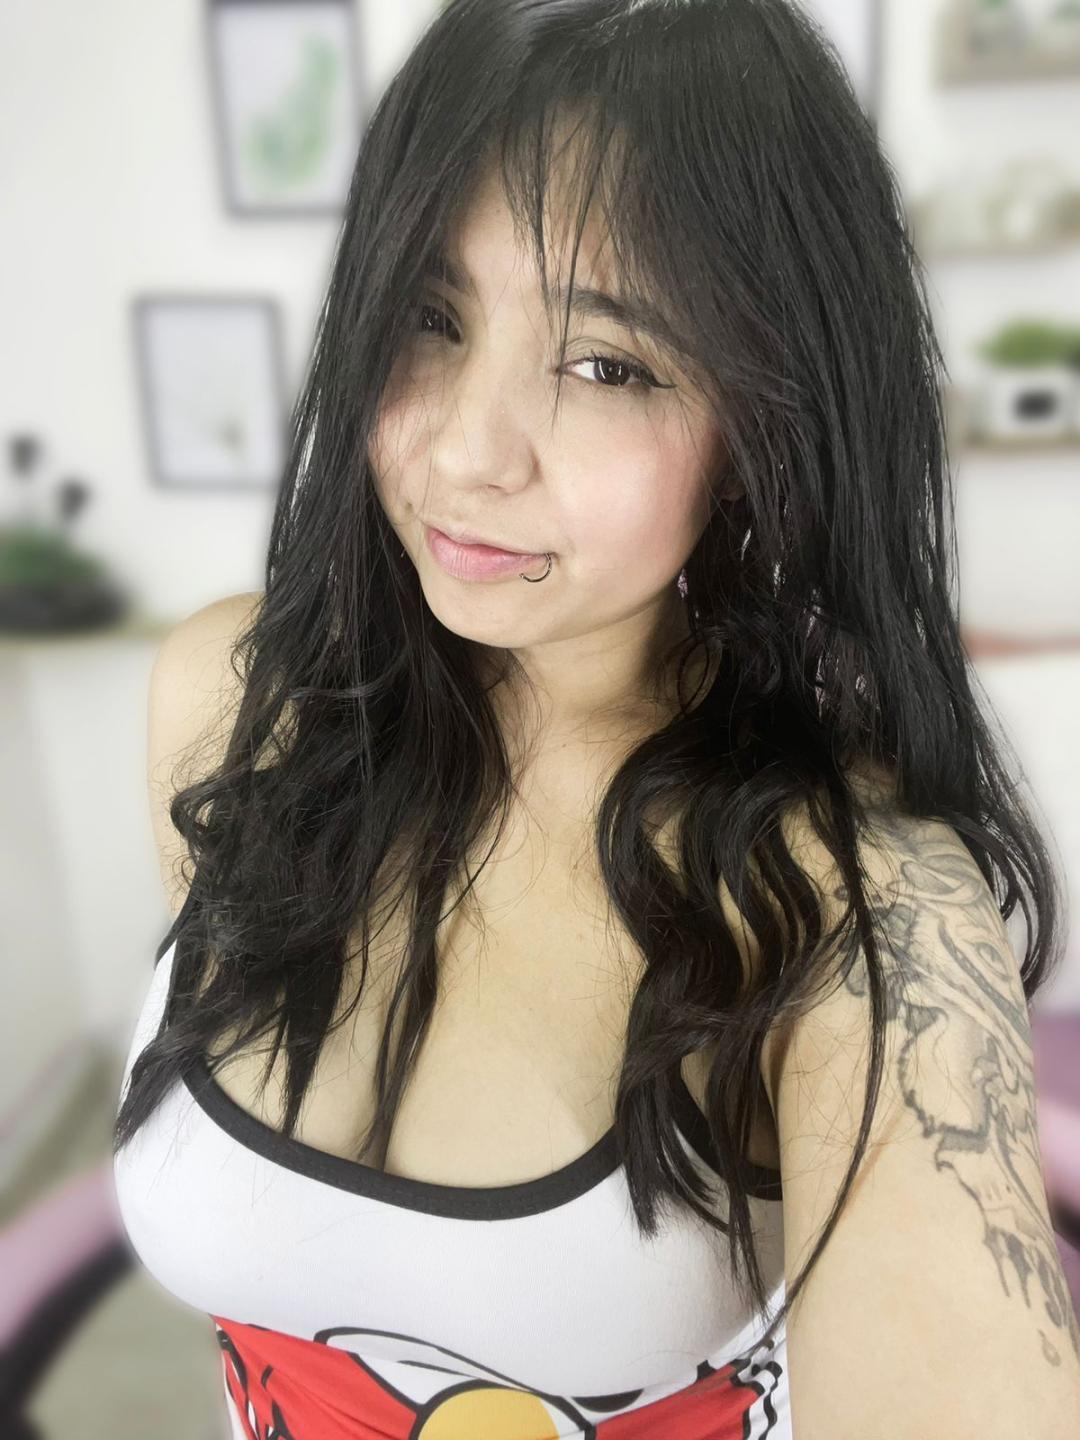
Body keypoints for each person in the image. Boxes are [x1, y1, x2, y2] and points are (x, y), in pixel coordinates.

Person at [112, 0, 1080, 1436]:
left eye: (609, 364)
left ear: (760, 427)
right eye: (430, 318)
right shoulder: (232, 701)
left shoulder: (857, 907)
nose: (466, 451)